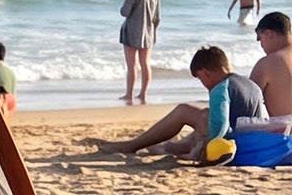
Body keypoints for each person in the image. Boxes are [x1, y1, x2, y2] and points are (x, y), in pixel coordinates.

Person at [97, 45, 266, 161]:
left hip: (229, 146)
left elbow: (220, 127)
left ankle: (132, 146)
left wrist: (200, 150)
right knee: (205, 117)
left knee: (184, 111)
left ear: (205, 73)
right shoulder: (250, 84)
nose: (203, 83)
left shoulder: (220, 89)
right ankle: (166, 148)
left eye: (200, 78)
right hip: (252, 141)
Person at [118, 0, 159, 106]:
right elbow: (157, 18)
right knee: (145, 64)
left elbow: (124, 12)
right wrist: (153, 31)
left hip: (132, 33)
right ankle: (143, 93)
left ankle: (129, 94)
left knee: (132, 65)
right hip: (148, 33)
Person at [250, 10, 292, 115]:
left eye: (260, 39)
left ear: (269, 34)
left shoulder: (267, 64)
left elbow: (247, 102)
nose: (261, 45)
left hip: (284, 130)